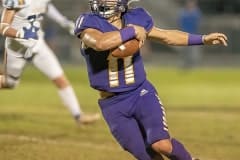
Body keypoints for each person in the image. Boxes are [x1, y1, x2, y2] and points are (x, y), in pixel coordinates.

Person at [74, 0, 227, 159]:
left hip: (140, 93)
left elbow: (167, 36)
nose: (102, 0)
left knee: (161, 144)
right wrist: (131, 31)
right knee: (147, 156)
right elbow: (100, 43)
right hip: (112, 105)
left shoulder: (136, 17)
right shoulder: (88, 22)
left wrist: (202, 39)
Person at [0, 0, 100, 125]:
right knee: (10, 83)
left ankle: (78, 116)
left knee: (60, 78)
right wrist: (21, 34)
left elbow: (47, 7)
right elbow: (3, 27)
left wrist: (64, 22)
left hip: (37, 43)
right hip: (17, 47)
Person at [178, 0, 202, 69]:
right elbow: (180, 23)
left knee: (193, 52)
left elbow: (198, 24)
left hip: (194, 35)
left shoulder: (196, 12)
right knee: (184, 52)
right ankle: (184, 65)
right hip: (184, 35)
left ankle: (194, 66)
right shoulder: (183, 12)